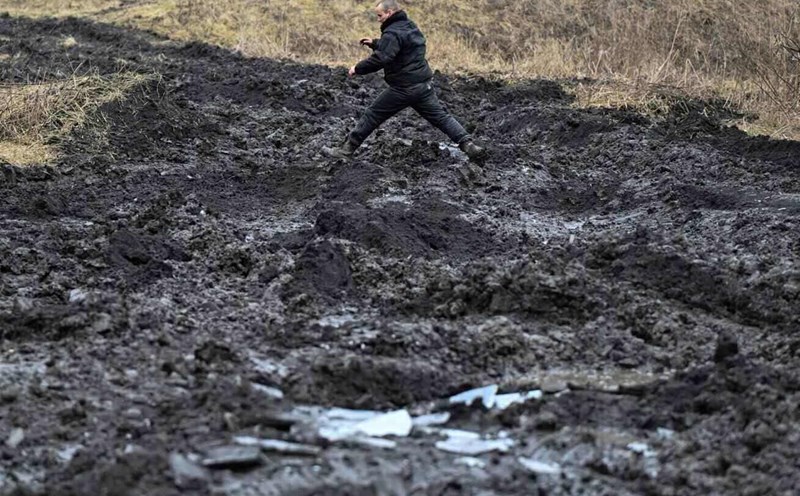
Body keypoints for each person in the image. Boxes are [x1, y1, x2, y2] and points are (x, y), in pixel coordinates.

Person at [324, 0, 485, 161]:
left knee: (372, 115)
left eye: (380, 15)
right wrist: (375, 43)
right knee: (442, 118)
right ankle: (468, 145)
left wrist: (358, 68)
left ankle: (345, 151)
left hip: (403, 88)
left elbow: (382, 58)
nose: (378, 19)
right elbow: (400, 47)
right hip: (423, 86)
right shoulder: (410, 26)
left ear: (390, 13)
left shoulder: (392, 33)